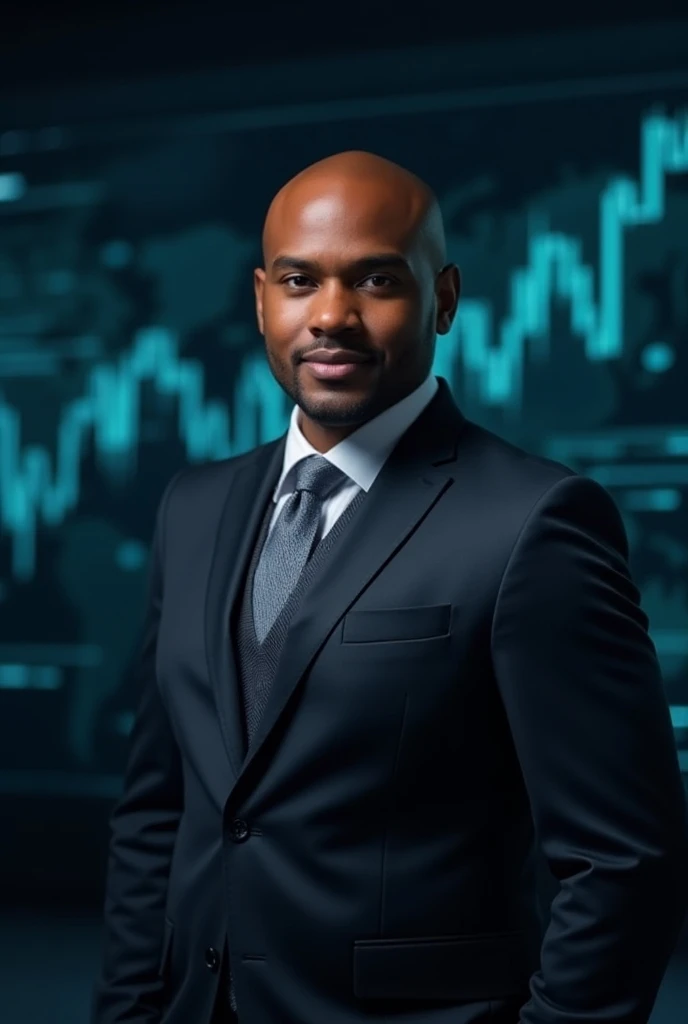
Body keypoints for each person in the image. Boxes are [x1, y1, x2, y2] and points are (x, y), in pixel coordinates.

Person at [92, 150, 688, 1024]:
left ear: (442, 298)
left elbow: (623, 858)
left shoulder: (537, 523)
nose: (330, 316)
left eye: (375, 280)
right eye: (300, 281)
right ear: (261, 298)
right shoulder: (194, 508)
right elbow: (158, 812)